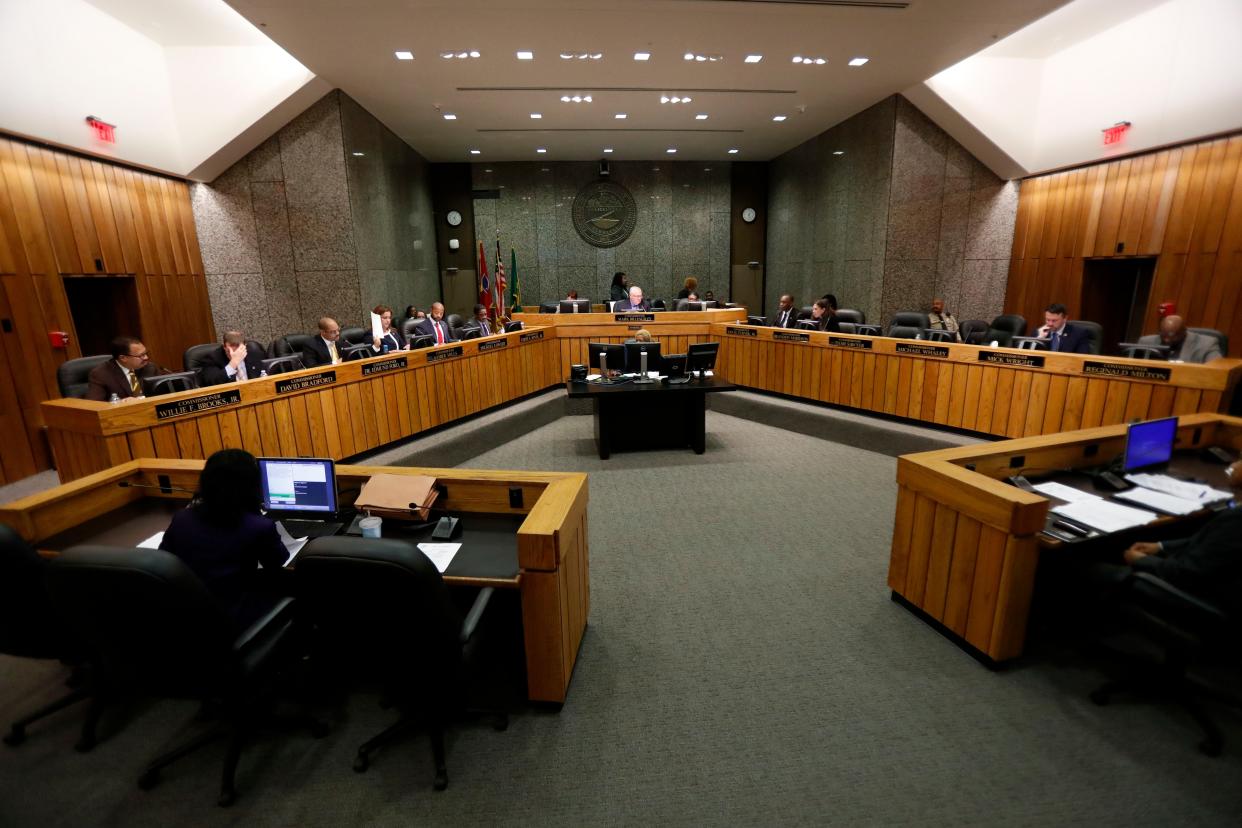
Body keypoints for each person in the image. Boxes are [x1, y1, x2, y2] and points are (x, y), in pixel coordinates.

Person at [159, 449, 289, 629]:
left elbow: (163, 558)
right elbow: (278, 560)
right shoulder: (258, 526)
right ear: (252, 485)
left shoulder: (182, 518)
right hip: (233, 620)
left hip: (187, 619)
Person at [85, 336, 171, 401]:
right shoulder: (101, 374)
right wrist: (120, 403)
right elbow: (93, 405)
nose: (146, 358)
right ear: (123, 358)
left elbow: (162, 393)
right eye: (141, 355)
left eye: (145, 353)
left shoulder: (149, 367)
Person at [1137, 315, 1222, 363]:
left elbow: (1216, 369)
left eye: (1173, 337)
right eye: (1163, 336)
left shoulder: (1207, 344)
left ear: (1184, 332)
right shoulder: (1145, 342)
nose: (1167, 340)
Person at [198, 330, 268, 386]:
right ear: (224, 347)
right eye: (231, 348)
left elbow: (264, 376)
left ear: (245, 346)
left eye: (239, 349)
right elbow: (212, 382)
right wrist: (233, 363)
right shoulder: (212, 359)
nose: (235, 353)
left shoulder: (255, 354)